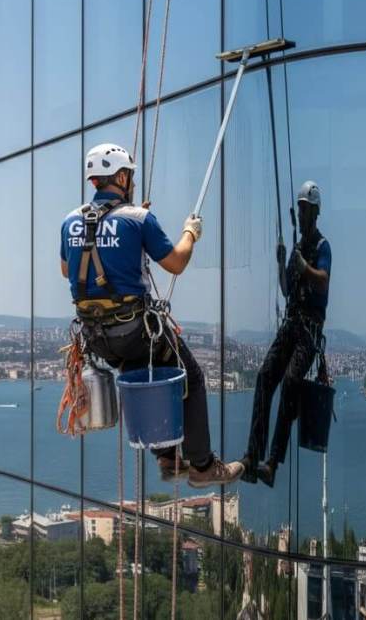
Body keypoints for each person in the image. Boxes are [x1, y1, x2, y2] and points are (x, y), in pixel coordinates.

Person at [60, 143, 243, 487]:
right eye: (129, 175)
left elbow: (66, 269)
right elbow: (176, 262)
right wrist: (191, 232)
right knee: (190, 376)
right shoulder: (138, 219)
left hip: (99, 338)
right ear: (121, 175)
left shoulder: (71, 220)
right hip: (134, 330)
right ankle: (203, 466)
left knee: (142, 374)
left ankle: (168, 459)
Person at [241, 181, 332, 486]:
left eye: (306, 210)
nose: (302, 215)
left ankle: (272, 462)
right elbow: (287, 289)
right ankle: (253, 456)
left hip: (308, 330)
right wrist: (283, 263)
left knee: (292, 381)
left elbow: (322, 281)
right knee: (266, 377)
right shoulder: (298, 250)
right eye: (301, 210)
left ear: (314, 213)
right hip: (292, 323)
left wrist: (303, 267)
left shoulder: (322, 247)